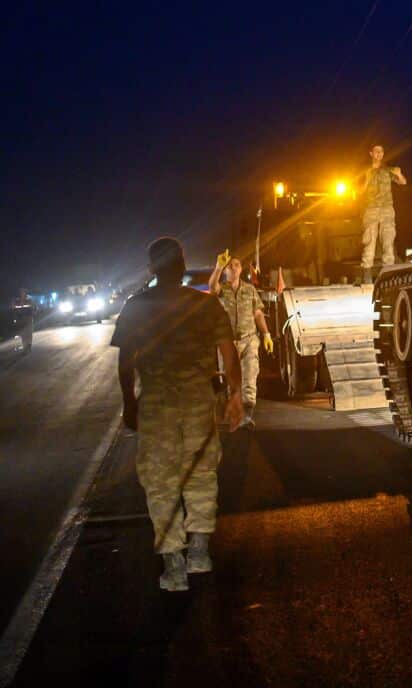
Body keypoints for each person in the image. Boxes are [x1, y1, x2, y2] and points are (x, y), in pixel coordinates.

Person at [112, 237, 243, 592]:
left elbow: (126, 360)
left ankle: (174, 565)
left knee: (160, 480)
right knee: (201, 473)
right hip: (199, 402)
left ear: (152, 268)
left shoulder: (137, 306)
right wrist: (235, 396)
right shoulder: (205, 304)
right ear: (183, 266)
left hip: (157, 406)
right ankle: (199, 551)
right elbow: (229, 353)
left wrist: (129, 402)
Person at [209, 251, 273, 428]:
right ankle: (234, 413)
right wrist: (218, 267)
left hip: (249, 339)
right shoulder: (222, 289)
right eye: (230, 266)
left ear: (241, 268)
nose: (233, 268)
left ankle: (247, 415)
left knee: (250, 376)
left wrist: (266, 333)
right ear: (226, 271)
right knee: (231, 379)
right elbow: (212, 287)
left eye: (236, 265)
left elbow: (258, 313)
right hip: (229, 343)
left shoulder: (249, 289)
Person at [356, 144, 406, 284]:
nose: (379, 153)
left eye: (381, 151)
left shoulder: (387, 170)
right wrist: (366, 178)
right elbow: (358, 191)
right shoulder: (364, 171)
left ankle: (388, 275)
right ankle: (367, 275)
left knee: (388, 241)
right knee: (369, 241)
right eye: (376, 151)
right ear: (371, 153)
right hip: (371, 209)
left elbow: (403, 182)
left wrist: (399, 174)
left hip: (387, 209)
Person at [11, 288, 34, 353]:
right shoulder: (17, 300)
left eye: (24, 292)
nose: (22, 293)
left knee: (29, 332)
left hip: (29, 318)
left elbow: (32, 306)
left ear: (26, 293)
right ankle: (25, 346)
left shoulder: (29, 299)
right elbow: (13, 307)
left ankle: (29, 344)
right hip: (21, 319)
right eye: (21, 292)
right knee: (23, 333)